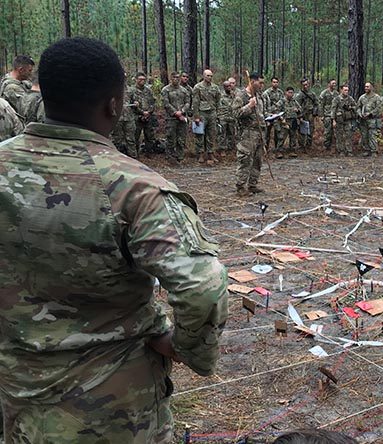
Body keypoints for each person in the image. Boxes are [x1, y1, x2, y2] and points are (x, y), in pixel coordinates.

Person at [0, 36, 228, 443]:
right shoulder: (133, 188)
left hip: (14, 391)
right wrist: (187, 348)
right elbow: (203, 287)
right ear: (115, 105)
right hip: (111, 409)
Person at [233, 72, 266, 197]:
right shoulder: (241, 95)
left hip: (259, 132)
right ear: (252, 81)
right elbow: (235, 113)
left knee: (257, 160)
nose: (262, 85)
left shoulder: (259, 95)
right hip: (247, 133)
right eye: (260, 82)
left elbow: (262, 112)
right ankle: (241, 187)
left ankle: (252, 184)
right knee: (245, 159)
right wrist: (249, 106)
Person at [192, 69, 222, 164]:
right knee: (200, 134)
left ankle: (210, 153)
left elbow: (218, 100)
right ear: (204, 76)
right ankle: (200, 154)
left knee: (211, 134)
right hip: (202, 112)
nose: (210, 77)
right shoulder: (198, 87)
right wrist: (196, 116)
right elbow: (195, 102)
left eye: (211, 76)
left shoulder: (215, 87)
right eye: (208, 75)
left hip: (212, 112)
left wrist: (217, 113)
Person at [162, 71, 192, 162]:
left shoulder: (184, 90)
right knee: (170, 137)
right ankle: (170, 156)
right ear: (171, 78)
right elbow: (166, 103)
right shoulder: (166, 90)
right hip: (171, 118)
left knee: (181, 138)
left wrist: (182, 111)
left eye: (178, 78)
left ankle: (180, 156)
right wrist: (175, 112)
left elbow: (187, 102)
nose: (176, 79)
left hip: (182, 117)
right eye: (174, 77)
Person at [131, 72, 157, 157]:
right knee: (135, 136)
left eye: (144, 79)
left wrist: (149, 112)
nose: (142, 81)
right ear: (136, 80)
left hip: (148, 116)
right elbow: (131, 104)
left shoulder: (148, 90)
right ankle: (135, 154)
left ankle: (149, 153)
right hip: (136, 116)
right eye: (140, 79)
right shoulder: (132, 90)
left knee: (149, 136)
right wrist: (142, 112)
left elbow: (152, 102)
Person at [275, 87, 303, 158]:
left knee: (293, 136)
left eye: (292, 93)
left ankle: (292, 151)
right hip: (284, 121)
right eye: (289, 92)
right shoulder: (282, 101)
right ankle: (279, 151)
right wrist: (281, 119)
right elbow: (276, 111)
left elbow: (300, 109)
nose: (291, 94)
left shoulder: (294, 101)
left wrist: (298, 110)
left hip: (293, 121)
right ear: (286, 92)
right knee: (282, 137)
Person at [356, 82, 382, 157]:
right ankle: (366, 150)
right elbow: (358, 107)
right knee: (364, 136)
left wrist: (370, 113)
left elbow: (379, 108)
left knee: (372, 135)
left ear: (371, 87)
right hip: (363, 120)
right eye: (365, 87)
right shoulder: (362, 97)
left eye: (368, 87)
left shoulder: (376, 97)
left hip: (372, 120)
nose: (366, 88)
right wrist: (360, 114)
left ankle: (374, 151)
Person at [331, 85, 357, 156]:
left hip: (348, 120)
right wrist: (333, 120)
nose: (346, 92)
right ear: (341, 90)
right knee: (339, 136)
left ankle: (349, 151)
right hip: (339, 120)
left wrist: (350, 107)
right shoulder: (336, 99)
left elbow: (355, 106)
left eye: (347, 90)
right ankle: (341, 151)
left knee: (349, 135)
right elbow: (333, 110)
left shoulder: (350, 99)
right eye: (345, 90)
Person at [263, 76, 285, 151]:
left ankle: (277, 149)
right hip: (268, 115)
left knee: (278, 133)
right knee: (266, 134)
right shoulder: (266, 93)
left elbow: (283, 103)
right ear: (271, 83)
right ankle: (265, 149)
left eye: (276, 82)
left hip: (277, 116)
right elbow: (264, 105)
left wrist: (281, 114)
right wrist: (266, 114)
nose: (275, 84)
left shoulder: (280, 92)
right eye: (274, 82)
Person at [297, 78, 319, 150]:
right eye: (304, 85)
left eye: (307, 84)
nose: (305, 86)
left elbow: (316, 103)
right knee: (302, 130)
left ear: (309, 84)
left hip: (310, 114)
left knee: (311, 129)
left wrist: (315, 113)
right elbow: (297, 106)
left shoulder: (312, 94)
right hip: (303, 114)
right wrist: (299, 116)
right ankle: (302, 145)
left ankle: (308, 145)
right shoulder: (299, 95)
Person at [219, 80, 238, 153]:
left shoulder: (234, 95)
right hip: (223, 117)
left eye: (230, 86)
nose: (229, 87)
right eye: (227, 86)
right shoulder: (220, 95)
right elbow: (218, 105)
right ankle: (222, 149)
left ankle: (230, 148)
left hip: (232, 117)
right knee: (222, 134)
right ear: (224, 87)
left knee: (231, 133)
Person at [319, 79, 338, 150]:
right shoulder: (324, 93)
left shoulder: (336, 93)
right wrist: (321, 115)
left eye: (335, 84)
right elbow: (321, 105)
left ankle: (335, 146)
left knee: (336, 132)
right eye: (333, 83)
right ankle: (326, 146)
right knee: (328, 131)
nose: (334, 85)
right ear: (329, 84)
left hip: (335, 115)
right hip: (327, 115)